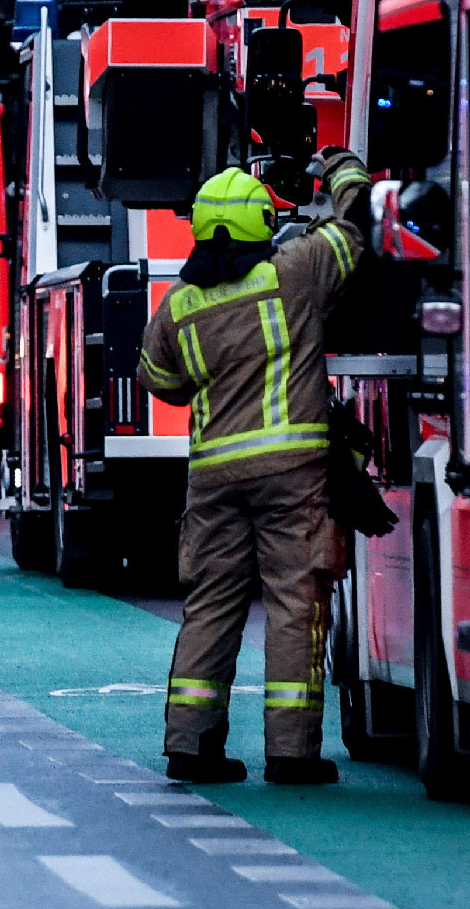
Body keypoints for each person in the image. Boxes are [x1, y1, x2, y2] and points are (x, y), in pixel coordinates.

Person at [137, 149, 371, 786]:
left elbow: (159, 379)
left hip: (212, 477)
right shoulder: (294, 271)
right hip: (292, 472)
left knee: (210, 606)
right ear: (263, 223)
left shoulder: (179, 305)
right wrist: (341, 169)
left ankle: (191, 746)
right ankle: (292, 754)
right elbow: (354, 229)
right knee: (296, 603)